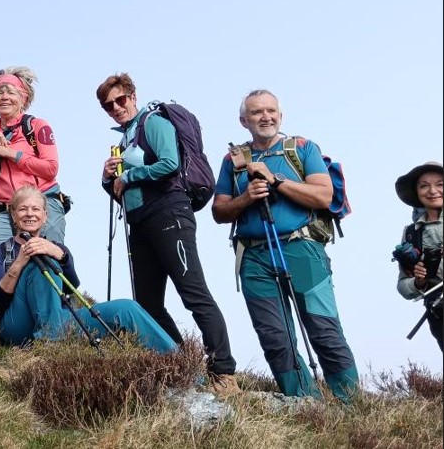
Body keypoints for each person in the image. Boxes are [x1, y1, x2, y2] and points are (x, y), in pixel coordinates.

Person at [211, 89, 358, 402]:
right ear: (243, 120)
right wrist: (245, 199)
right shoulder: (232, 160)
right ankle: (305, 404)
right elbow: (219, 211)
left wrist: (276, 181)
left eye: (271, 110)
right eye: (256, 112)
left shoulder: (303, 148)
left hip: (302, 249)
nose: (266, 117)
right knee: (275, 336)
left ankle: (350, 405)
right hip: (253, 255)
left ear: (280, 115)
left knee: (324, 329)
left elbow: (323, 196)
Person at [96, 73, 238, 392]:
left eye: (121, 100)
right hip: (140, 222)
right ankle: (181, 363)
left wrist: (130, 176)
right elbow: (123, 191)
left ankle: (224, 372)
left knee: (193, 292)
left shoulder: (153, 122)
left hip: (168, 212)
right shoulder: (125, 139)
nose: (116, 107)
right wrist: (109, 179)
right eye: (109, 106)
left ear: (132, 95)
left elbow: (170, 164)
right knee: (148, 304)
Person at [0, 186, 177, 354]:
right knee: (39, 262)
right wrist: (20, 262)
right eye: (23, 209)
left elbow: (72, 287)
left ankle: (188, 370)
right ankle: (51, 344)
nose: (30, 214)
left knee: (128, 308)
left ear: (45, 217)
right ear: (13, 215)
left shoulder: (57, 248)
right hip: (16, 324)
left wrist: (60, 256)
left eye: (36, 209)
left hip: (57, 321)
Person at [0, 67, 67, 278]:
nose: (4, 97)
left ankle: (56, 307)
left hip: (44, 202)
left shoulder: (37, 126)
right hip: (7, 209)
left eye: (11, 92)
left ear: (24, 97)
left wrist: (10, 153)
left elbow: (50, 168)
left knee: (48, 258)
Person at [392, 161, 442, 350]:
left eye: (440, 184)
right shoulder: (412, 234)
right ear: (417, 192)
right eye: (424, 185)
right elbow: (403, 285)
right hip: (439, 310)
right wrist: (418, 282)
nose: (432, 191)